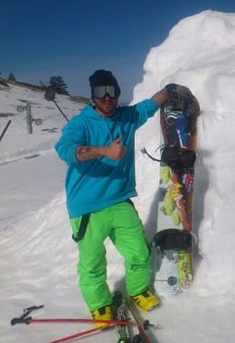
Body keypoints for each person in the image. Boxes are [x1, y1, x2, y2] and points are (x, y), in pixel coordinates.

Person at [55, 69, 176, 327]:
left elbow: (147, 106)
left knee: (139, 252)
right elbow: (65, 150)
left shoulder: (127, 117)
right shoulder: (80, 124)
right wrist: (103, 150)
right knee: (92, 262)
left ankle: (139, 290)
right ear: (93, 96)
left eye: (111, 90)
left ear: (118, 92)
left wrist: (169, 91)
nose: (106, 97)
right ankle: (100, 306)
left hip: (119, 200)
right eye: (100, 92)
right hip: (87, 207)